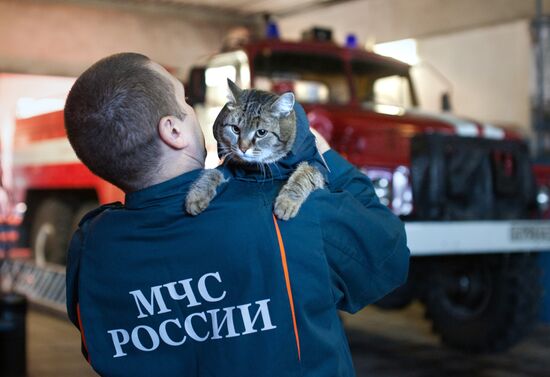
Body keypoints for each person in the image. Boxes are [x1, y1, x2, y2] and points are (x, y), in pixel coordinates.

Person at [64, 52, 409, 377]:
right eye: (185, 101)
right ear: (173, 131)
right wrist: (325, 154)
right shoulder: (293, 215)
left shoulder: (89, 248)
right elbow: (390, 256)